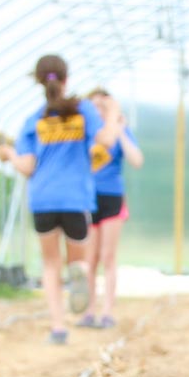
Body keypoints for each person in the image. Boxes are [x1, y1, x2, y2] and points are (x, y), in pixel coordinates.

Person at [0, 55, 115, 344]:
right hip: (75, 198)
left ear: (39, 82)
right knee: (80, 261)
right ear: (66, 80)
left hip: (44, 199)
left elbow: (27, 167)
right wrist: (112, 113)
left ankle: (58, 328)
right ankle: (79, 274)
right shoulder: (83, 110)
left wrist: (9, 154)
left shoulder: (34, 120)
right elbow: (107, 141)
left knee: (50, 265)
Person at [77, 87, 144, 329]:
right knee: (90, 258)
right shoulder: (86, 133)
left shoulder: (119, 131)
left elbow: (137, 160)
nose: (98, 109)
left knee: (108, 256)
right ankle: (89, 310)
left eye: (102, 105)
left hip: (112, 197)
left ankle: (107, 311)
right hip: (88, 198)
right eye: (93, 105)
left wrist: (120, 127)